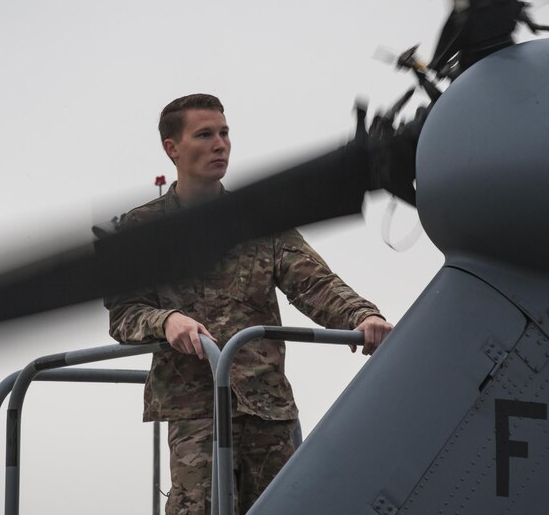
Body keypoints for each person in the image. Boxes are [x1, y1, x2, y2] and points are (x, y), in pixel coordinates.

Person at [107, 93, 392, 514]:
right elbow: (124, 313)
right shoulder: (143, 228)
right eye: (204, 135)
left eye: (224, 133)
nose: (220, 144)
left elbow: (314, 282)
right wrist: (167, 321)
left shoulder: (259, 220)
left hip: (267, 407)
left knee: (284, 507)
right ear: (173, 148)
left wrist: (363, 315)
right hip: (196, 409)